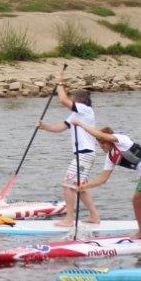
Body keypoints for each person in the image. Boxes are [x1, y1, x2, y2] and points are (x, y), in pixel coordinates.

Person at [75, 122, 141, 243]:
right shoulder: (110, 157)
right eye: (99, 144)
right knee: (136, 201)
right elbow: (103, 178)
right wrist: (85, 185)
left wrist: (80, 124)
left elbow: (102, 135)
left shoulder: (121, 140)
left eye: (102, 142)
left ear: (108, 139)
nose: (101, 146)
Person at [36, 71, 100, 227]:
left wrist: (59, 83)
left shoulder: (85, 110)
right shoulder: (74, 115)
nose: (71, 101)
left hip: (85, 154)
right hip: (84, 154)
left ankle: (69, 220)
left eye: (73, 99)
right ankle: (94, 217)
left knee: (67, 185)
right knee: (80, 187)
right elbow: (60, 127)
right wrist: (44, 127)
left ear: (79, 101)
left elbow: (63, 100)